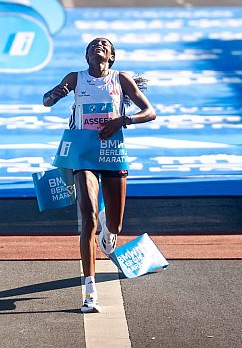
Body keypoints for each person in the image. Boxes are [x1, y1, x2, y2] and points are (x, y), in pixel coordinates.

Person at [42, 38, 156, 313]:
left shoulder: (120, 79)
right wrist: (57, 93)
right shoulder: (76, 78)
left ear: (112, 56)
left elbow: (149, 112)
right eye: (94, 44)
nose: (99, 46)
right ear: (87, 55)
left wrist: (122, 120)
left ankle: (110, 226)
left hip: (112, 152)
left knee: (114, 225)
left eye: (105, 44)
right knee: (88, 214)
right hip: (82, 153)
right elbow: (46, 102)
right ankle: (89, 291)